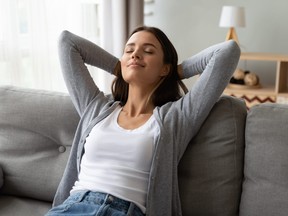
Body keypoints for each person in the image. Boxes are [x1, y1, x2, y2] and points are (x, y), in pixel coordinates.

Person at [45, 26, 240, 216]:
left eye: (148, 51)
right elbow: (67, 43)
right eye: (129, 50)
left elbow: (227, 51)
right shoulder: (96, 108)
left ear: (164, 67)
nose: (135, 54)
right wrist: (119, 66)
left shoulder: (177, 117)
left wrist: (175, 72)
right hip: (72, 207)